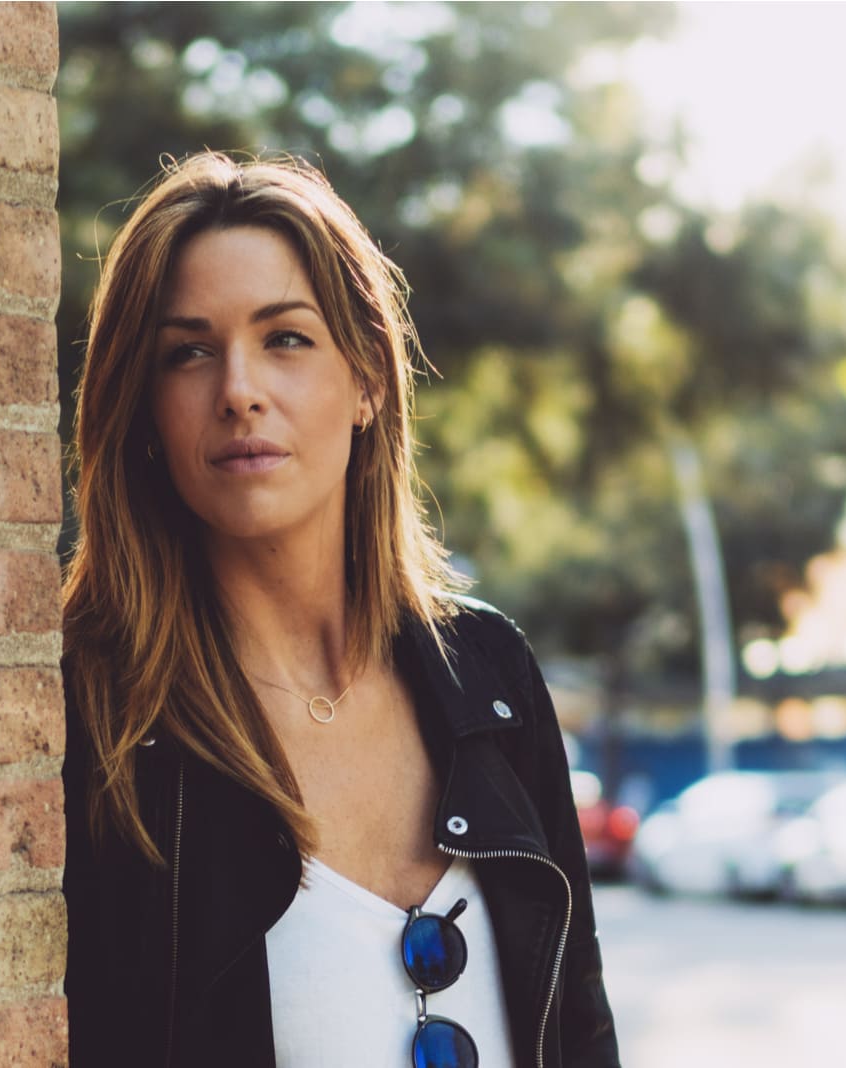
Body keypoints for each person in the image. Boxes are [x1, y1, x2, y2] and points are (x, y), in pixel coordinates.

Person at [60, 152, 619, 1068]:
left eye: (285, 338)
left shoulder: (492, 676)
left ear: (365, 383)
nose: (238, 388)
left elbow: (581, 1030)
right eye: (188, 351)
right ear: (146, 414)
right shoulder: (107, 720)